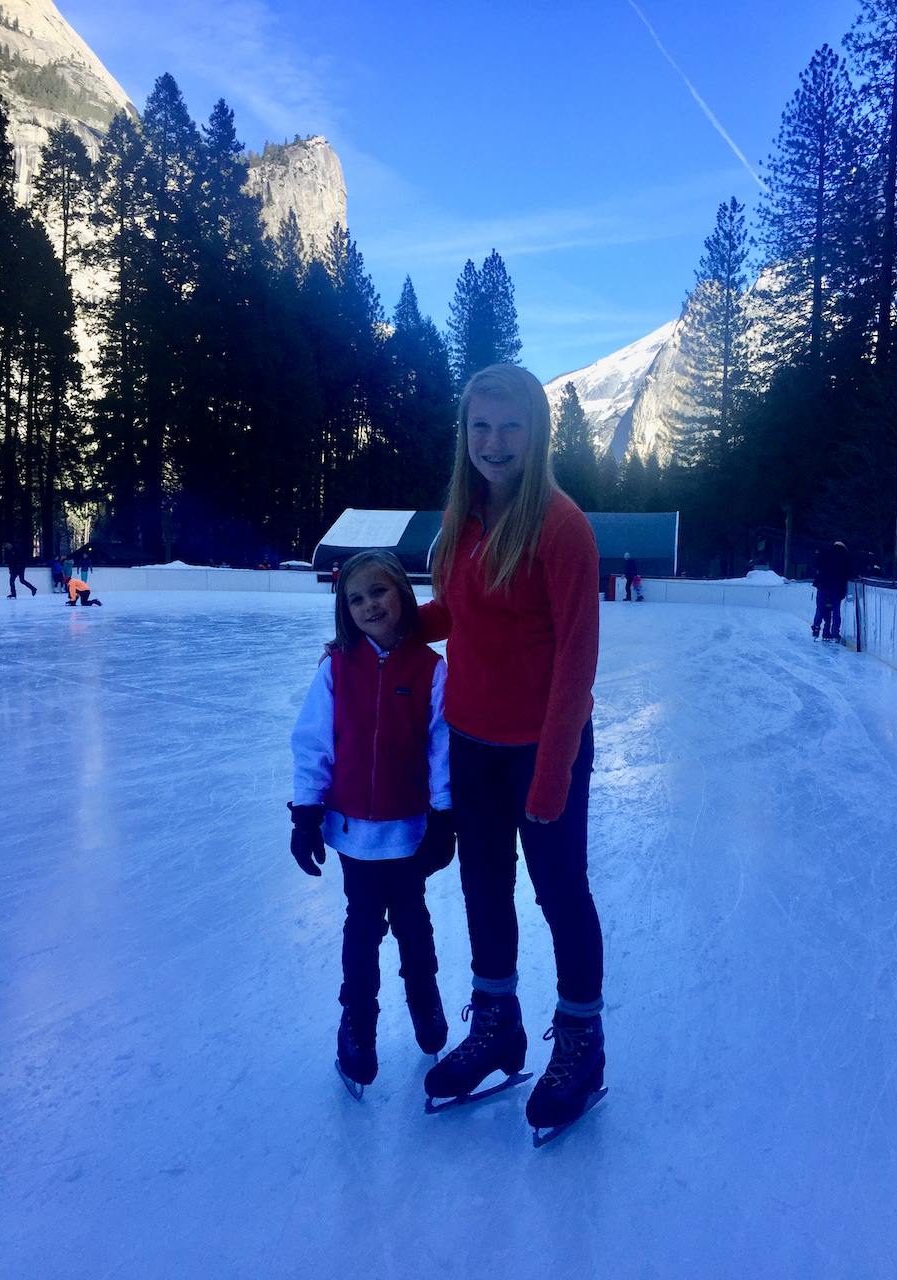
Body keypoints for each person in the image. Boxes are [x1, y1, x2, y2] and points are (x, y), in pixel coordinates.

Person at [418, 363, 605, 1141]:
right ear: (464, 436)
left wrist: (554, 771)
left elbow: (576, 660)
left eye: (510, 428)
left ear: (537, 434)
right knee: (484, 890)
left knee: (561, 894)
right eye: (480, 428)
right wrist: (390, 626)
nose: (494, 444)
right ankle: (499, 1027)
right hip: (471, 745)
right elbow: (461, 619)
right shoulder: (462, 521)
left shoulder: (561, 526)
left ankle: (583, 1044)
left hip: (540, 749)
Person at [289, 550, 455, 1097]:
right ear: (344, 609)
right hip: (353, 834)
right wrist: (307, 813)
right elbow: (313, 743)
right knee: (362, 926)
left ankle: (425, 1003)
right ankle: (357, 1023)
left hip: (409, 831)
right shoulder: (336, 667)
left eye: (378, 592)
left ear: (403, 594)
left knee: (412, 921)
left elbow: (441, 748)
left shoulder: (431, 668)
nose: (368, 605)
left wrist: (444, 814)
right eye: (355, 598)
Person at [812, 540, 852, 641]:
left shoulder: (824, 554)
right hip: (836, 588)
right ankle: (835, 633)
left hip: (822, 586)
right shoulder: (843, 557)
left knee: (820, 608)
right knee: (835, 611)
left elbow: (816, 565)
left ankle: (816, 628)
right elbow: (847, 572)